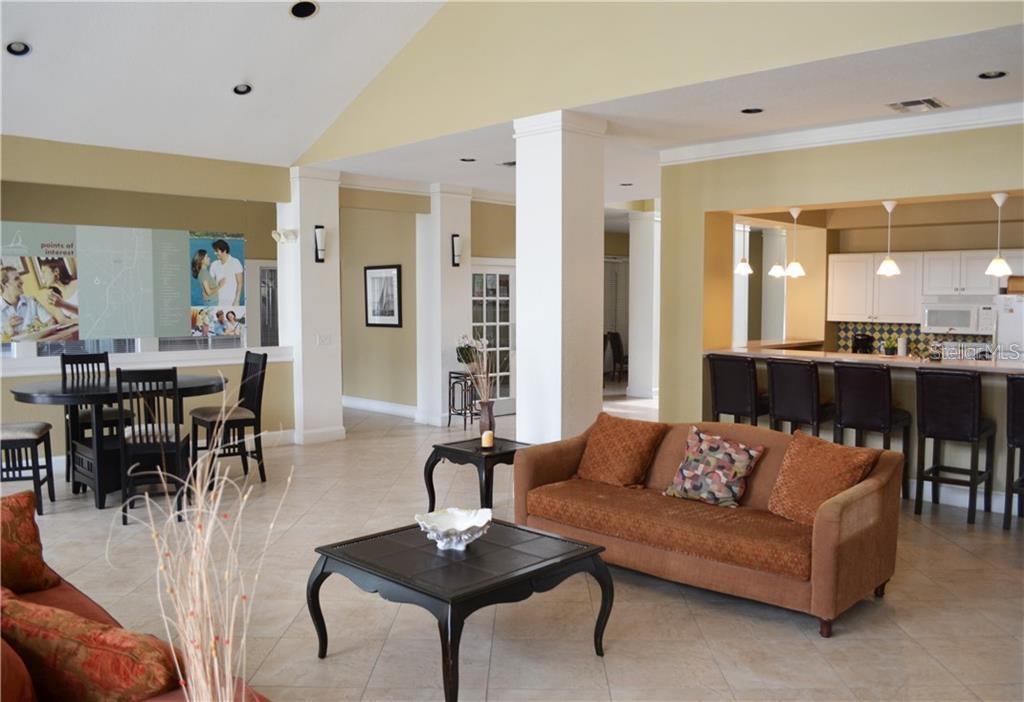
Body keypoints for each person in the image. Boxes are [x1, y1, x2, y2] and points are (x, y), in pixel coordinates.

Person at [1, 266, 54, 339]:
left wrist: (31, 331)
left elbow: (51, 322)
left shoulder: (31, 301)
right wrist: (6, 334)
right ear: (4, 284)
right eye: (16, 279)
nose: (22, 281)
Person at [209, 240, 243, 307]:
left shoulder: (235, 262)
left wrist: (237, 300)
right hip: (217, 302)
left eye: (217, 251)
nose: (215, 253)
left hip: (232, 302)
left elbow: (240, 283)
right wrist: (218, 285)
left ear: (224, 251)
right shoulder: (214, 264)